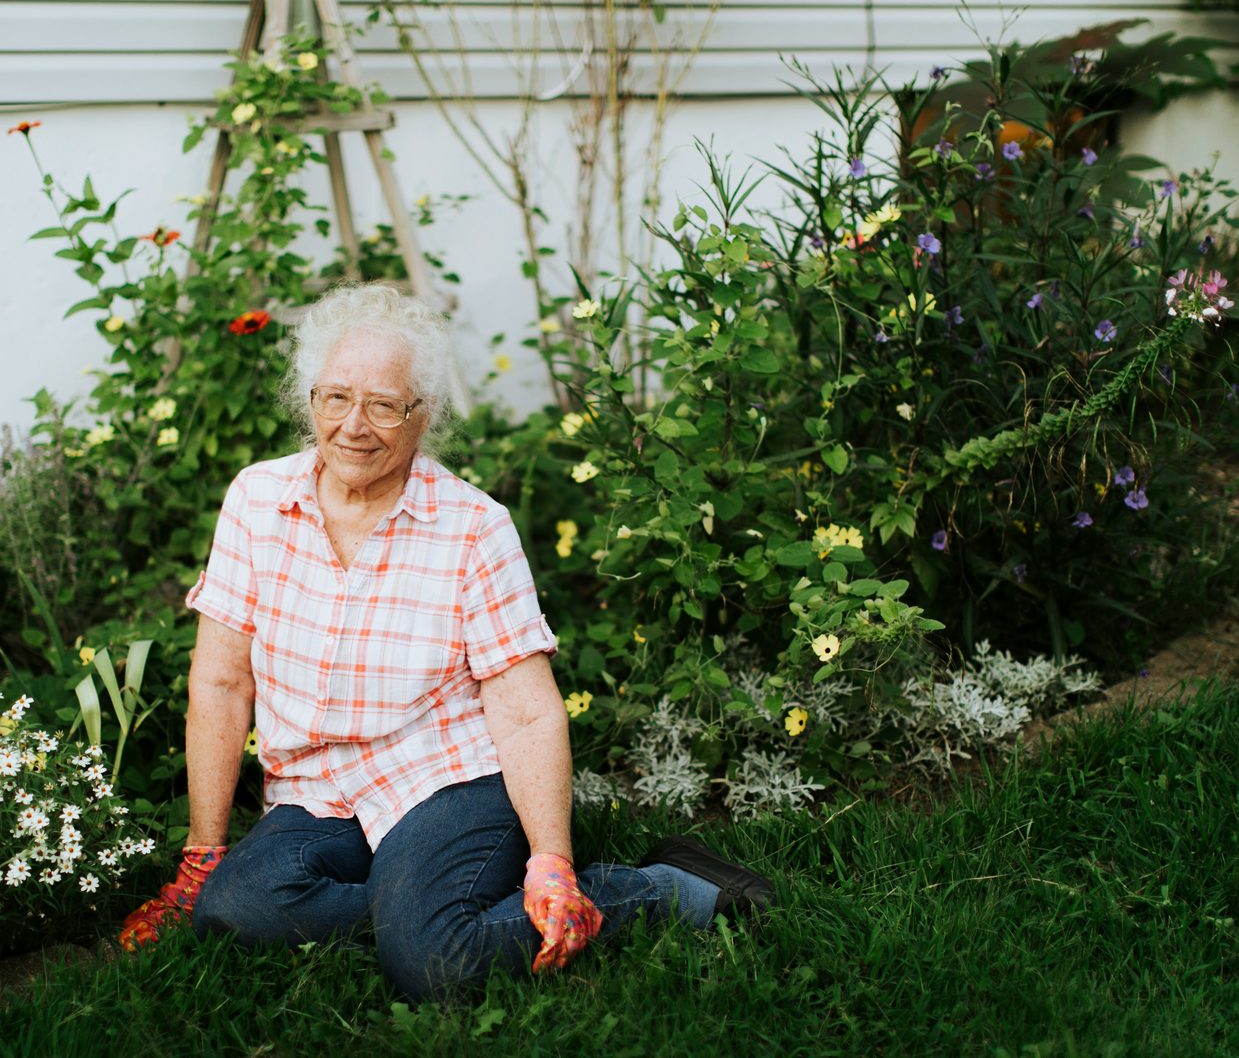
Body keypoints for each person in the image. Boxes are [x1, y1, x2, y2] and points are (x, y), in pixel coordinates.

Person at [117, 283, 773, 1001]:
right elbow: (221, 682)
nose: (354, 426)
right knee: (233, 909)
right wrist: (202, 857)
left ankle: (650, 890)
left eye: (385, 405)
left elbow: (524, 711)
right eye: (335, 397)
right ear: (309, 399)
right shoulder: (256, 501)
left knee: (432, 966)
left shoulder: (473, 527)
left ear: (423, 416)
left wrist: (550, 858)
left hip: (446, 782)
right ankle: (420, 908)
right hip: (315, 795)